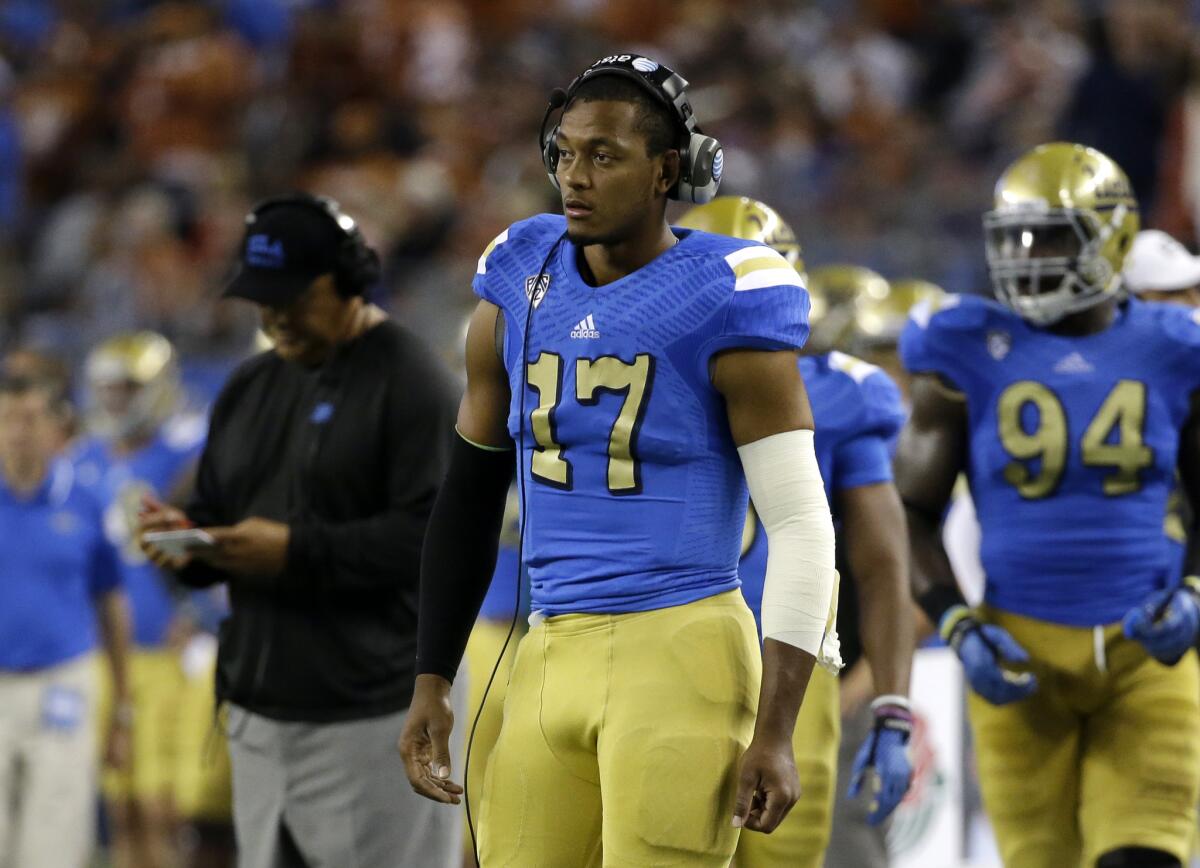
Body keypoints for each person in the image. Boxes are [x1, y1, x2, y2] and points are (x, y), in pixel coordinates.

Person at [399, 54, 838, 868]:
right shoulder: (517, 281)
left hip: (681, 644)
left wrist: (778, 728)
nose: (576, 176)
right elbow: (465, 495)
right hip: (545, 645)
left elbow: (803, 525)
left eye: (605, 155)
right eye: (564, 153)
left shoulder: (726, 291)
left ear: (670, 168)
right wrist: (432, 680)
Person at [896, 142, 1200, 868]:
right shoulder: (965, 343)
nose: (1030, 255)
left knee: (1143, 858)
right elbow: (908, 514)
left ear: (1113, 238)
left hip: (1144, 651)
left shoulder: (1173, 347)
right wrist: (957, 623)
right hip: (1018, 652)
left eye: (1056, 236)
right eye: (1018, 236)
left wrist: (1195, 591)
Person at [138, 193, 460, 868]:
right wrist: (188, 545)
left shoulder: (413, 382)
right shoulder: (249, 386)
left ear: (346, 279)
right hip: (259, 716)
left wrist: (294, 551)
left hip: (368, 718)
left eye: (291, 294)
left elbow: (434, 543)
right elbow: (219, 515)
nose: (272, 312)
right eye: (261, 295)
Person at [677, 197, 914, 868]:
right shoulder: (632, 386)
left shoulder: (840, 393)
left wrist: (894, 703)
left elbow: (884, 564)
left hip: (791, 675)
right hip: (667, 662)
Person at [73, 331, 206, 868]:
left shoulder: (186, 460)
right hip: (106, 656)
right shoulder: (84, 462)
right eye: (107, 390)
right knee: (120, 805)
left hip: (165, 653)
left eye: (128, 388)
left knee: (163, 808)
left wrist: (200, 616)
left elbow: (216, 549)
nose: (115, 401)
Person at [0, 374, 132, 868]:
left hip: (65, 682)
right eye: (8, 418)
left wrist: (123, 707)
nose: (18, 431)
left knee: (53, 841)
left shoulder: (87, 501)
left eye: (30, 418)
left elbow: (113, 603)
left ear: (57, 426)